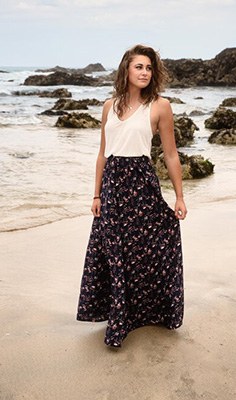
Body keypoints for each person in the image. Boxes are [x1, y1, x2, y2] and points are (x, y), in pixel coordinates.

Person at [76, 44, 187, 348]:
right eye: (139, 67)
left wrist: (179, 197)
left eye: (149, 68)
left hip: (141, 184)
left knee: (143, 250)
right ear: (126, 69)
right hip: (112, 186)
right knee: (114, 251)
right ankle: (118, 316)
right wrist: (96, 194)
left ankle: (144, 312)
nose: (145, 73)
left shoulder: (160, 106)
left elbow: (171, 155)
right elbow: (102, 154)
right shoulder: (108, 105)